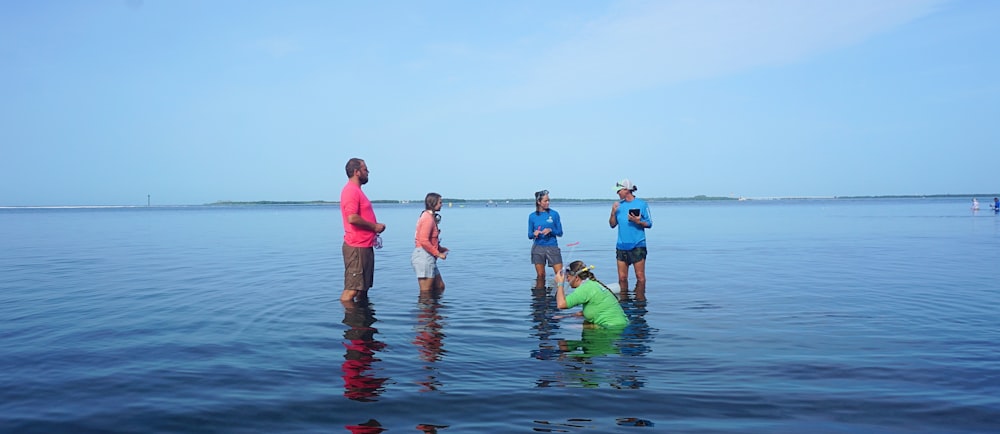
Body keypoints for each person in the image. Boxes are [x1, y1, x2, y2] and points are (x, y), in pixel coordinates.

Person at [340, 158, 386, 302]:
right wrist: (374, 227)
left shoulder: (357, 191)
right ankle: (350, 322)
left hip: (365, 246)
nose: (368, 172)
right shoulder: (350, 191)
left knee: (363, 289)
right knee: (352, 290)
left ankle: (363, 323)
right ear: (356, 172)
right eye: (365, 169)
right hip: (356, 247)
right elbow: (352, 218)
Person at [609, 179, 652, 301]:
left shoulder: (641, 204)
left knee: (640, 276)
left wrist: (638, 221)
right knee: (622, 278)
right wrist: (613, 213)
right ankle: (624, 303)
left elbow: (649, 224)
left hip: (638, 245)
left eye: (619, 190)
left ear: (627, 190)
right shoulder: (618, 205)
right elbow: (612, 225)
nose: (617, 192)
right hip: (621, 246)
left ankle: (640, 304)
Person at [555, 260, 629, 329]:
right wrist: (567, 316)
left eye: (568, 277)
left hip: (611, 328)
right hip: (621, 324)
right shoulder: (592, 284)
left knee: (566, 330)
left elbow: (561, 304)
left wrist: (560, 283)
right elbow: (597, 307)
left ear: (576, 277)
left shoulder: (584, 289)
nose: (567, 280)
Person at [412, 192, 449, 293]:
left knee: (440, 286)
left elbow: (430, 239)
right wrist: (438, 254)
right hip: (423, 257)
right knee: (426, 292)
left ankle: (435, 308)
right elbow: (423, 240)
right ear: (433, 203)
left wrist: (440, 248)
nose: (442, 204)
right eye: (440, 202)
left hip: (429, 256)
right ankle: (426, 308)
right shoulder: (427, 218)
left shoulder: (430, 217)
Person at [528, 190, 564, 290]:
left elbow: (560, 232)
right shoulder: (532, 216)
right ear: (539, 202)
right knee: (541, 275)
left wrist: (551, 230)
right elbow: (529, 235)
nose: (548, 202)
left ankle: (558, 296)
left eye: (548, 200)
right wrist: (534, 233)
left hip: (552, 246)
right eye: (545, 201)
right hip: (538, 248)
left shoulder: (554, 214)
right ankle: (540, 299)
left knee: (560, 274)